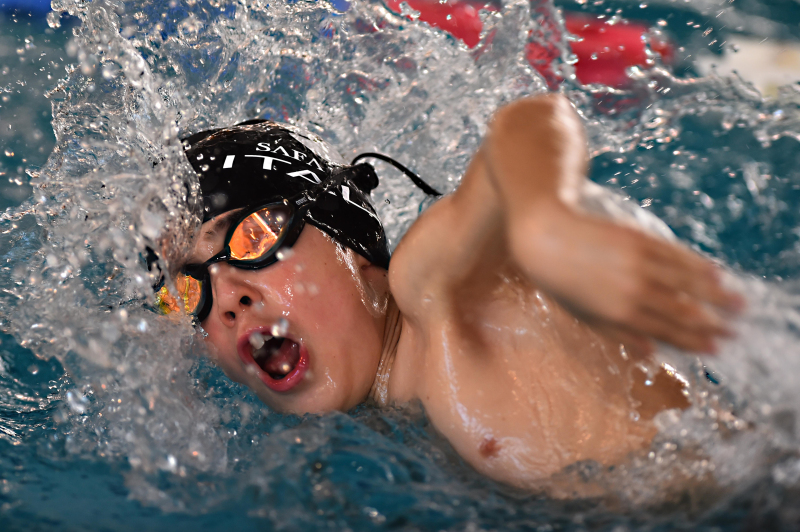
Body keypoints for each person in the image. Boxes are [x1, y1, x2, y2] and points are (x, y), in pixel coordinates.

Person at [156, 94, 743, 489]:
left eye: (253, 237)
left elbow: (533, 123)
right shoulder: (382, 424)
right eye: (184, 291)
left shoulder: (437, 290)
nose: (226, 296)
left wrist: (545, 220)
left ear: (353, 248)